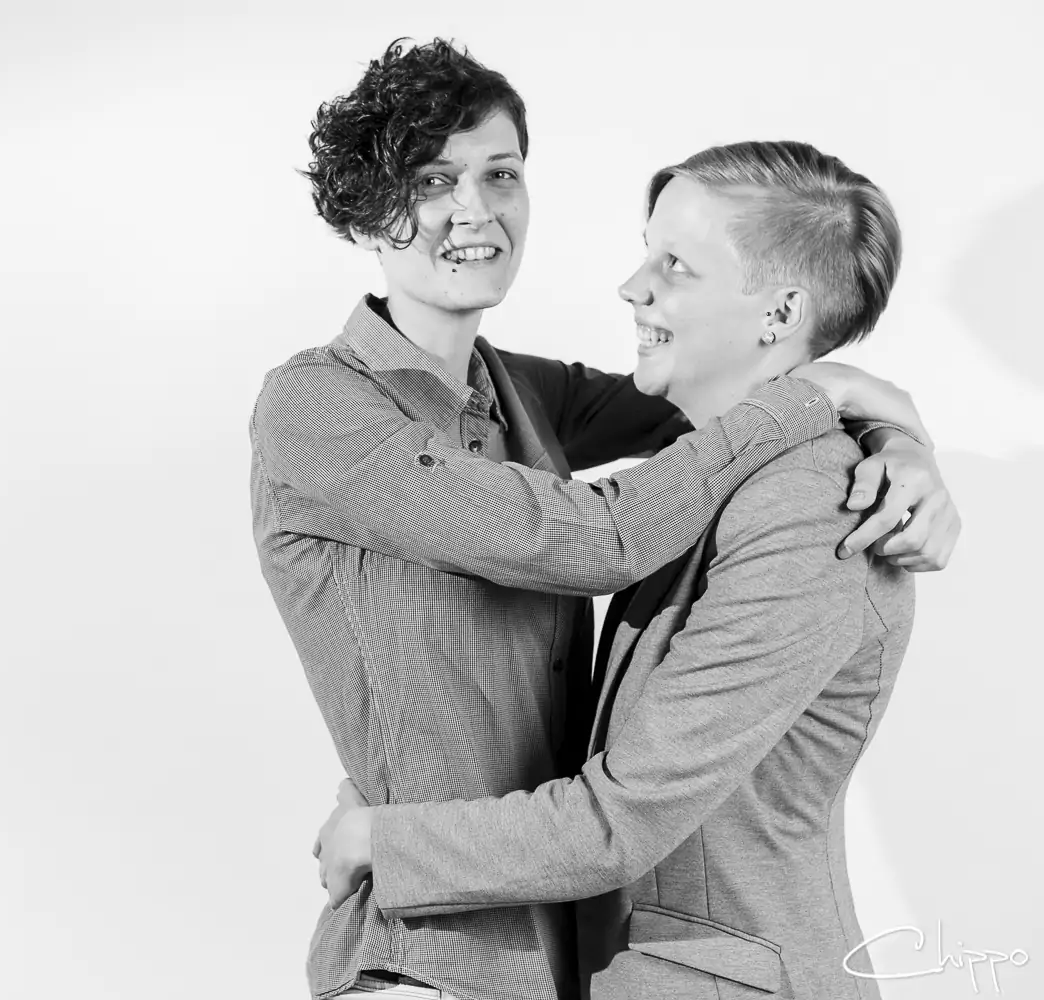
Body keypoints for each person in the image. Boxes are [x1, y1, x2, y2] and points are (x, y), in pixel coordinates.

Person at [252, 39, 958, 1000]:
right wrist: (825, 391)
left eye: (502, 174)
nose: (477, 208)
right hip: (424, 951)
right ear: (368, 207)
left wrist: (894, 432)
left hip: (566, 949)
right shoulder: (319, 407)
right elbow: (600, 533)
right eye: (432, 180)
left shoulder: (520, 394)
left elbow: (718, 399)